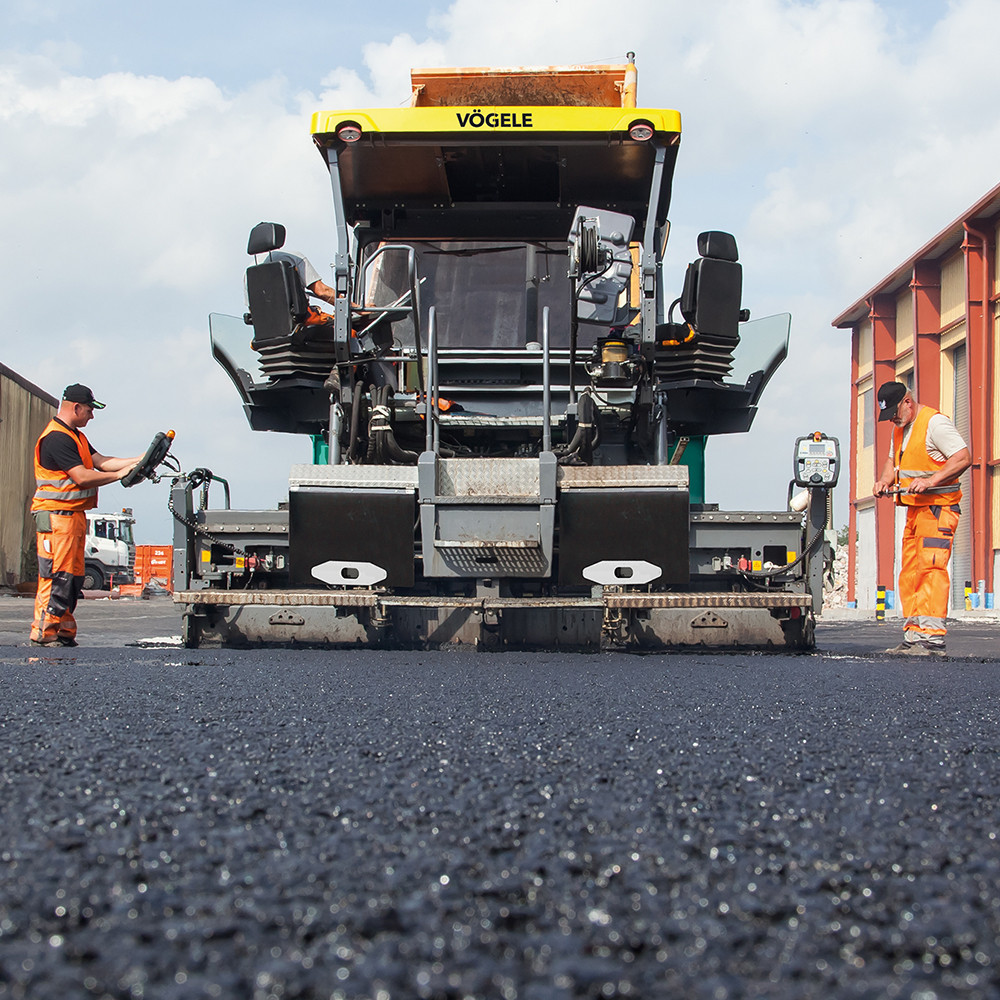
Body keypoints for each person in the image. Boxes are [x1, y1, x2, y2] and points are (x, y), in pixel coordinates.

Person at [30, 385, 140, 647]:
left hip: (72, 518)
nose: (92, 415)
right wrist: (119, 475)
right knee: (57, 577)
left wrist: (139, 460)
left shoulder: (75, 437)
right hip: (57, 519)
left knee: (72, 578)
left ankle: (63, 631)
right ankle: (43, 633)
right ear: (76, 407)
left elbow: (101, 461)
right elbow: (81, 476)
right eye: (90, 410)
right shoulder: (56, 438)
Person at [873, 381, 972, 658]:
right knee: (910, 572)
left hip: (938, 509)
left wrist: (931, 481)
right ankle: (914, 636)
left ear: (908, 402)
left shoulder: (935, 424)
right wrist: (884, 481)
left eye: (894, 412)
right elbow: (892, 463)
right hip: (915, 510)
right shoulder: (900, 429)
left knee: (931, 569)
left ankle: (932, 639)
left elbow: (963, 457)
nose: (892, 419)